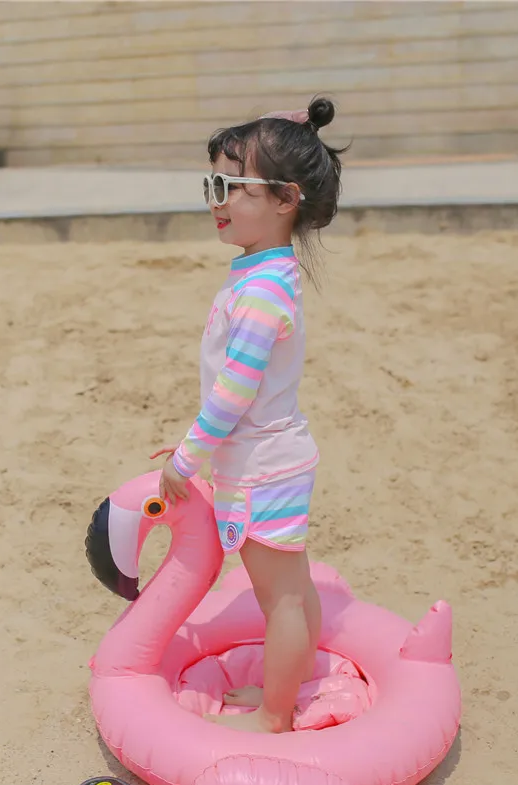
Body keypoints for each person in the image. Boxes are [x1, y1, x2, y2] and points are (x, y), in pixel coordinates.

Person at [150, 96, 347, 734]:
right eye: (211, 185)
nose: (217, 201)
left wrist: (188, 456)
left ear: (286, 199)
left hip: (264, 467)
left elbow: (234, 390)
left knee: (280, 596)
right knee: (293, 585)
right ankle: (294, 682)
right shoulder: (264, 273)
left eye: (231, 187)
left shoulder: (262, 291)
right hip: (272, 457)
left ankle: (274, 715)